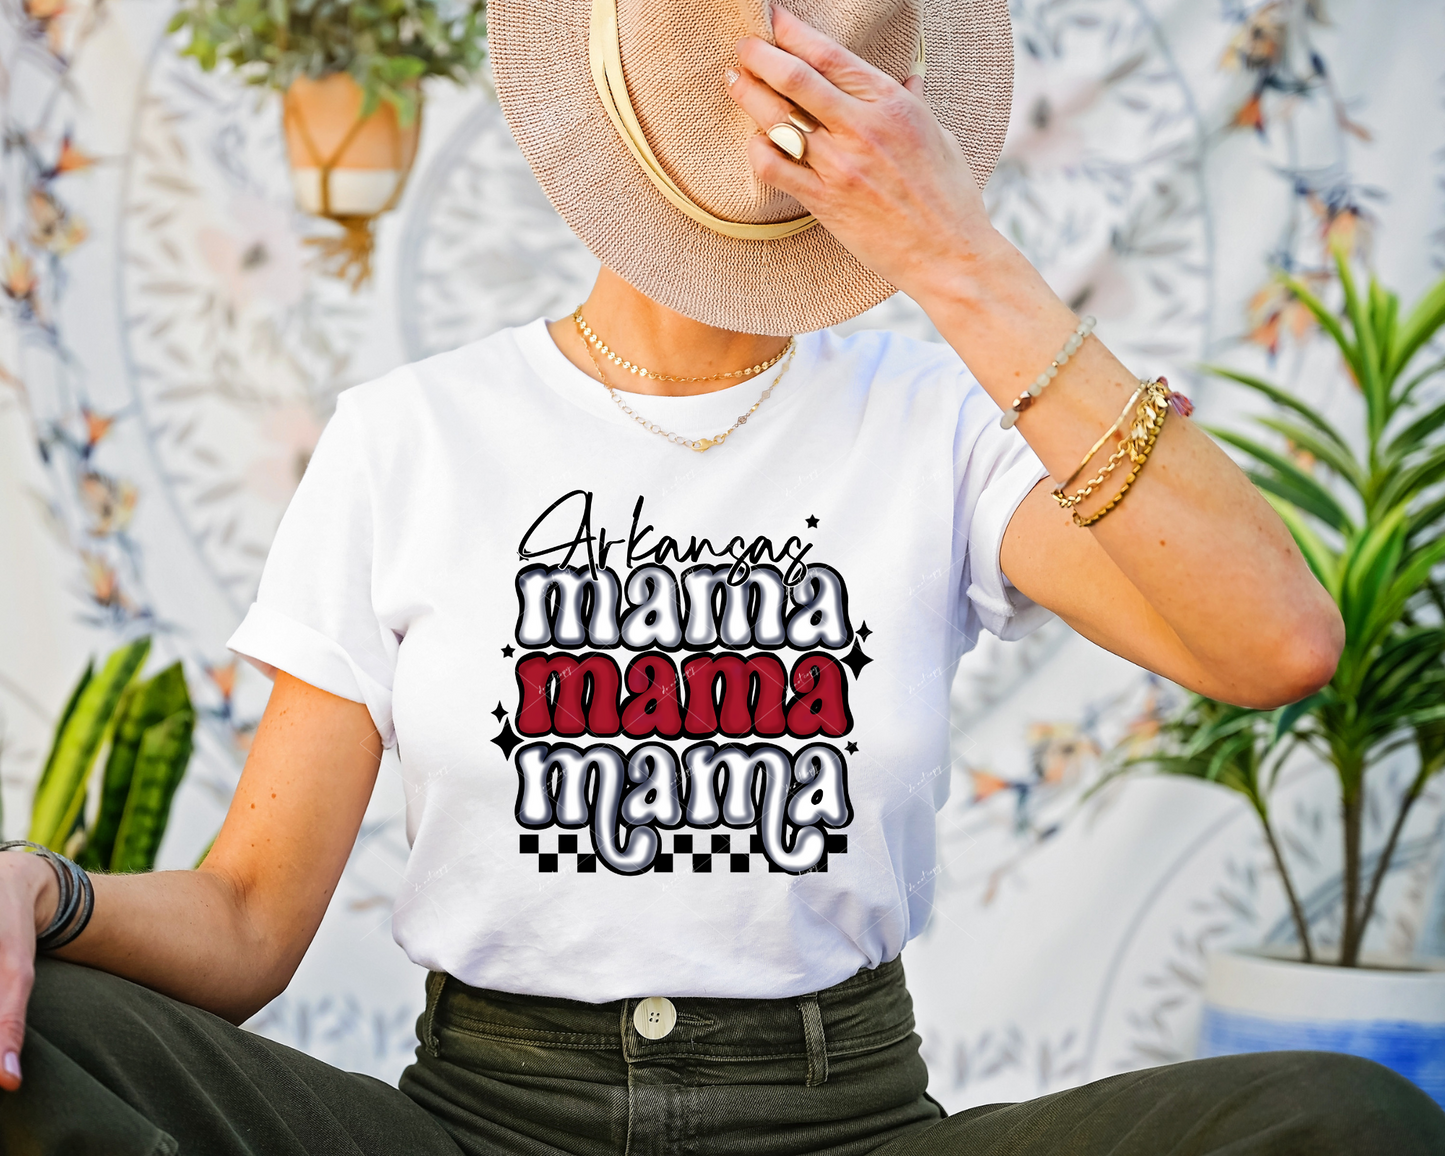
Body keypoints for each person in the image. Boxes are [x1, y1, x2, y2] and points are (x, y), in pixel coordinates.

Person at [4, 0, 1443, 1152]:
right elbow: (249, 921)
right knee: (32, 1029)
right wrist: (38, 891)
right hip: (484, 1120)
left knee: (1343, 1121)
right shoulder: (410, 436)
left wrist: (957, 253)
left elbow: (1278, 641)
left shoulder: (938, 424)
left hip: (845, 1120)